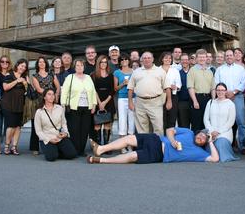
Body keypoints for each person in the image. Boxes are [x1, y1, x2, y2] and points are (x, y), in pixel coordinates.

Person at [86, 127, 219, 164]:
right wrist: (172, 141)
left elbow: (215, 159)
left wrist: (211, 141)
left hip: (159, 155)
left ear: (205, 143)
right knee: (129, 138)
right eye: (201, 134)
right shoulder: (189, 133)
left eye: (204, 139)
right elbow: (169, 130)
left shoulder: (200, 154)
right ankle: (101, 149)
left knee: (132, 156)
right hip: (156, 140)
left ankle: (102, 160)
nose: (201, 137)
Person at [127, 51, 171, 136]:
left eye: (149, 58)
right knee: (141, 129)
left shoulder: (160, 71)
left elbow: (167, 87)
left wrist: (169, 101)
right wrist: (130, 102)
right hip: (140, 103)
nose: (146, 60)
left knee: (158, 127)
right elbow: (130, 88)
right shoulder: (136, 72)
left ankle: (158, 147)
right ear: (141, 60)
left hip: (155, 102)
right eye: (144, 58)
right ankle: (145, 147)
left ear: (153, 59)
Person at [61, 58, 97, 156]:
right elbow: (64, 92)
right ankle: (75, 149)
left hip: (87, 107)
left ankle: (81, 150)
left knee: (85, 129)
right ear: (74, 67)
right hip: (74, 107)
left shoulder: (88, 77)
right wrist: (63, 105)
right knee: (74, 129)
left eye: (81, 65)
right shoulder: (70, 77)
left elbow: (93, 92)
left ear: (84, 67)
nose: (79, 67)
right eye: (77, 65)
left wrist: (94, 104)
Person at [214, 49, 245, 153]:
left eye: (230, 55)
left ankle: (244, 146)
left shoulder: (240, 69)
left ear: (234, 56)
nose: (228, 57)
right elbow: (217, 82)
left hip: (237, 96)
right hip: (223, 97)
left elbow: (243, 82)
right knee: (225, 122)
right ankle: (227, 145)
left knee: (241, 121)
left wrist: (233, 92)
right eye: (227, 55)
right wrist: (226, 93)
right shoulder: (220, 69)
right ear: (225, 57)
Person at [34, 88, 77, 162]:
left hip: (59, 136)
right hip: (47, 138)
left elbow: (64, 124)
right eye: (49, 94)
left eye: (53, 94)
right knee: (51, 157)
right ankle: (53, 152)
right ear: (44, 97)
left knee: (72, 154)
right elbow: (38, 131)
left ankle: (56, 151)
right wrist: (49, 139)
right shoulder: (39, 112)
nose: (52, 96)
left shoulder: (59, 108)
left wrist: (65, 133)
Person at [30, 56, 61, 155]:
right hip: (40, 102)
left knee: (53, 123)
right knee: (37, 124)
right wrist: (49, 94)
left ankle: (54, 143)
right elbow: (39, 89)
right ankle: (35, 147)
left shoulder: (51, 74)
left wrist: (55, 95)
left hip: (52, 102)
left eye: (43, 62)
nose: (42, 63)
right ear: (37, 64)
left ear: (46, 63)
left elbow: (58, 86)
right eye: (39, 62)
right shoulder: (35, 76)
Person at [203, 83, 238, 162]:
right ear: (215, 91)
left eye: (222, 90)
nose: (220, 92)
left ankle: (222, 156)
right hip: (211, 132)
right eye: (218, 90)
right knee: (209, 145)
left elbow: (230, 122)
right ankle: (214, 157)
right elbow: (206, 119)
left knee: (220, 143)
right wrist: (211, 131)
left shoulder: (230, 104)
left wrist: (218, 132)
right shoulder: (210, 102)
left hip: (225, 133)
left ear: (226, 91)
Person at [1, 58, 30, 155]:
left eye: (24, 67)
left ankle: (14, 147)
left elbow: (28, 91)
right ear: (17, 65)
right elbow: (5, 87)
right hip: (8, 104)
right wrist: (17, 81)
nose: (23, 68)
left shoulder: (25, 77)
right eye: (21, 65)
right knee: (11, 126)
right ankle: (6, 146)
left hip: (20, 104)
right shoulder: (9, 74)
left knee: (18, 126)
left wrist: (25, 84)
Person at [187, 49, 215, 132]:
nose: (202, 59)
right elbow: (190, 87)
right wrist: (195, 101)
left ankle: (206, 143)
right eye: (200, 57)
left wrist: (213, 101)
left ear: (206, 58)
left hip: (208, 99)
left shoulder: (210, 71)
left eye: (203, 57)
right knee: (196, 123)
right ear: (196, 58)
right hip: (196, 98)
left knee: (207, 122)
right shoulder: (192, 70)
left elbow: (213, 88)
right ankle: (196, 143)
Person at [91, 55, 116, 146]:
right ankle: (98, 145)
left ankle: (106, 145)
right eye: (102, 62)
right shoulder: (93, 75)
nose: (103, 64)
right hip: (97, 100)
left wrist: (105, 102)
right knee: (97, 124)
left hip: (108, 100)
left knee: (107, 124)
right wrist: (99, 102)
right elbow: (93, 90)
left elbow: (113, 90)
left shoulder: (111, 75)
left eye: (105, 62)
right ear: (98, 63)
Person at [113, 53, 135, 153]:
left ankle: (130, 145)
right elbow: (115, 88)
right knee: (122, 120)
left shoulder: (134, 72)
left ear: (129, 60)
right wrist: (123, 84)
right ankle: (122, 145)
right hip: (122, 98)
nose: (124, 61)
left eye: (126, 59)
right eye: (122, 60)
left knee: (132, 121)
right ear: (119, 62)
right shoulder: (117, 72)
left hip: (133, 98)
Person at [0, 55, 12, 154]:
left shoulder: (11, 74)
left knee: (8, 126)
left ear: (9, 63)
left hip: (9, 103)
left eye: (6, 62)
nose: (4, 63)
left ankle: (7, 146)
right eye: (2, 61)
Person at [160, 52, 182, 130]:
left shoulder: (175, 70)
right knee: (161, 118)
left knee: (172, 118)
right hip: (160, 96)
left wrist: (175, 87)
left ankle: (170, 137)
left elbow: (179, 85)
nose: (168, 60)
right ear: (162, 59)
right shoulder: (157, 70)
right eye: (166, 58)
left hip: (173, 96)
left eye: (169, 58)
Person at [177, 53, 191, 128]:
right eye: (182, 60)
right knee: (183, 124)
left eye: (186, 60)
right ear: (180, 61)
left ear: (189, 61)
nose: (184, 61)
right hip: (182, 102)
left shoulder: (193, 72)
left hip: (193, 101)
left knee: (196, 123)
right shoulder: (177, 73)